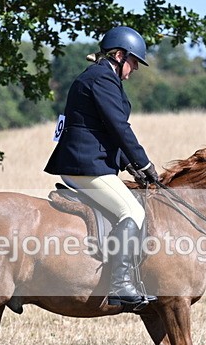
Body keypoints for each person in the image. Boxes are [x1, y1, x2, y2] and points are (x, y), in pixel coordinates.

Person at [45, 26, 159, 310]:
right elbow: (119, 127)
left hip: (90, 162)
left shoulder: (103, 77)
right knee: (132, 210)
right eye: (133, 62)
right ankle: (120, 284)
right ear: (119, 55)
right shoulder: (101, 79)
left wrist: (130, 165)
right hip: (84, 165)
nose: (134, 69)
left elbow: (102, 130)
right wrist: (143, 161)